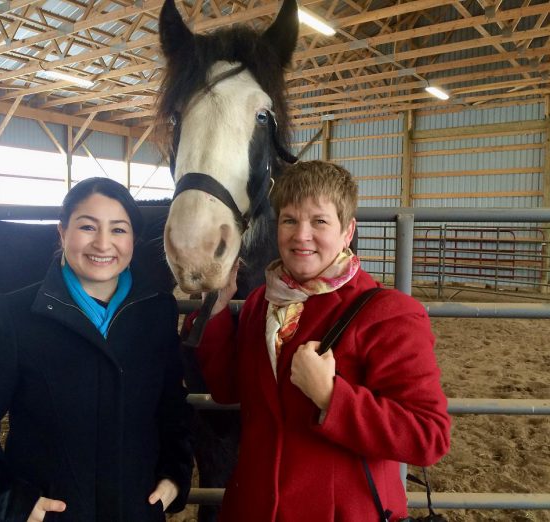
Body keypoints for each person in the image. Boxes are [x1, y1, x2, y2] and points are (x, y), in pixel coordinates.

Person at [193, 160, 451, 521]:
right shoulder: (260, 303)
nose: (301, 235)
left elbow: (428, 436)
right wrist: (217, 313)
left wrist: (332, 397)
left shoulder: (389, 313)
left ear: (348, 231)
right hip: (253, 507)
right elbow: (229, 390)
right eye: (289, 220)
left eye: (319, 221)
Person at [0, 177, 194, 522]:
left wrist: (174, 475)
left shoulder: (157, 312)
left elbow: (171, 410)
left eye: (118, 230)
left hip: (138, 512)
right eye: (87, 227)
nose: (103, 244)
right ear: (62, 233)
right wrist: (10, 502)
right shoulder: (17, 317)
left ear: (134, 239)